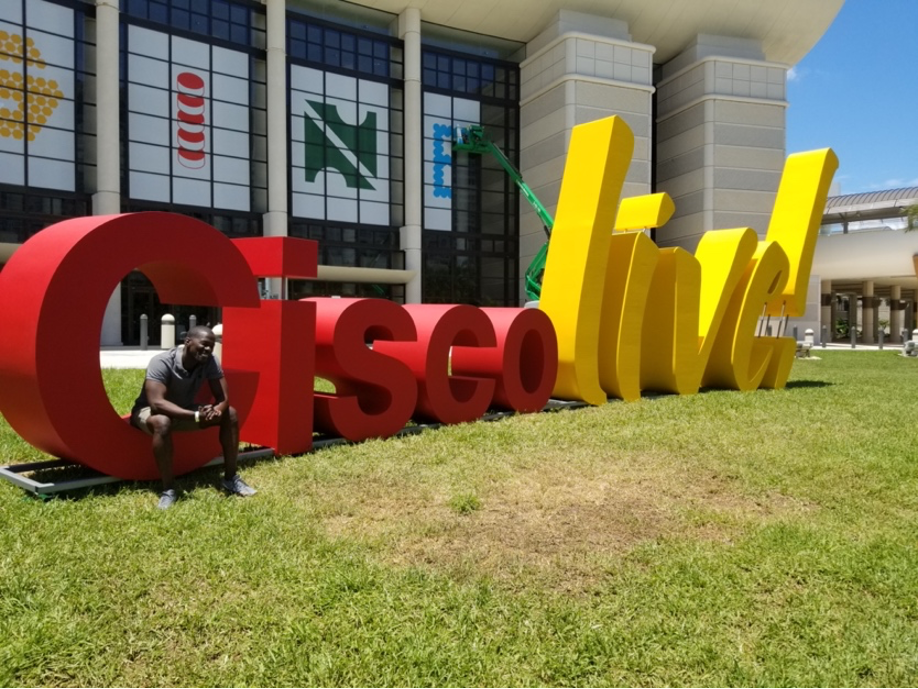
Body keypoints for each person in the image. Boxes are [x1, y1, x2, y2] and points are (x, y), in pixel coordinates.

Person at [130, 325, 256, 509]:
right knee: (162, 422)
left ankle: (231, 478)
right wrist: (196, 416)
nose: (208, 349)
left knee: (231, 414)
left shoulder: (209, 360)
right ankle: (168, 490)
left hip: (185, 410)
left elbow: (223, 398)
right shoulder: (162, 361)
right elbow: (157, 403)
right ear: (187, 341)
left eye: (211, 346)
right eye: (204, 344)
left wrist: (216, 411)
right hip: (149, 411)